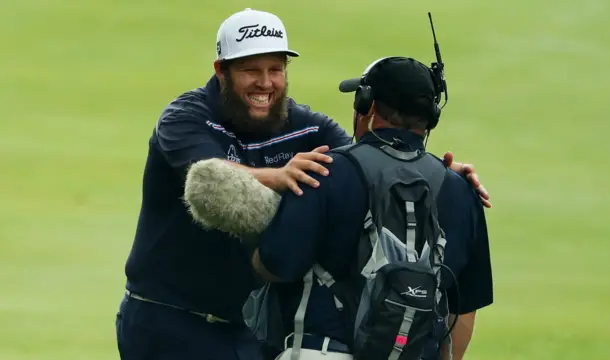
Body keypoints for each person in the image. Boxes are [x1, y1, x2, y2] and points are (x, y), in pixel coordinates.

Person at [115, 7, 490, 360]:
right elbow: (210, 178)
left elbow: (369, 168)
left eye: (275, 69)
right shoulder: (186, 116)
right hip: (170, 320)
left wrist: (436, 175)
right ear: (221, 70)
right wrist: (277, 177)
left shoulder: (308, 127)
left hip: (249, 332)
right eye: (251, 70)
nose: (265, 83)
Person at [220, 56, 494, 360]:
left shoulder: (324, 170)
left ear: (368, 106)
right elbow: (463, 310)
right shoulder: (461, 190)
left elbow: (275, 265)